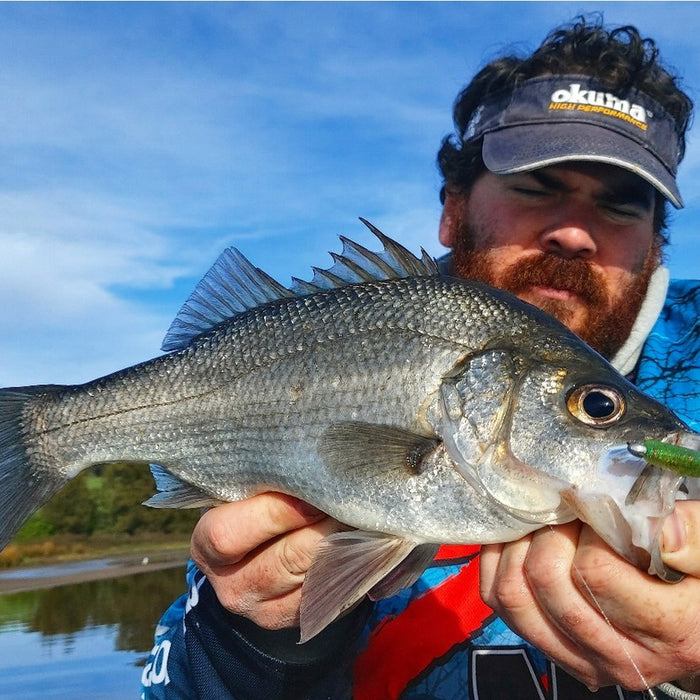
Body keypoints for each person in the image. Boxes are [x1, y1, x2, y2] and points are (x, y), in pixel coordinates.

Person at [141, 17, 700, 700]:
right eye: (537, 187)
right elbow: (177, 688)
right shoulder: (347, 335)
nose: (574, 232)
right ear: (453, 210)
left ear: (655, 248)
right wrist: (257, 645)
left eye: (620, 205)